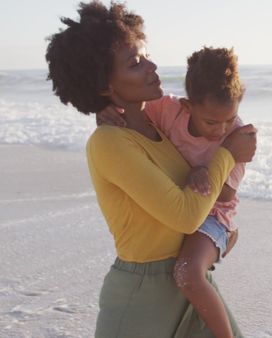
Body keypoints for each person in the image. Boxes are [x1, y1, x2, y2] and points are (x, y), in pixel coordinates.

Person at [45, 1, 256, 337]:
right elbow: (186, 215)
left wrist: (219, 238)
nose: (152, 67)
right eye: (135, 64)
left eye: (145, 57)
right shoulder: (109, 143)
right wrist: (228, 153)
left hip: (190, 287)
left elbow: (201, 199)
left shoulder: (161, 128)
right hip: (142, 298)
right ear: (105, 84)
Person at [98, 46, 248, 338]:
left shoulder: (238, 135)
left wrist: (208, 168)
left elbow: (227, 195)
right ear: (188, 106)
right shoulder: (167, 110)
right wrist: (102, 109)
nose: (220, 131)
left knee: (188, 274)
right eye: (211, 122)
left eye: (229, 120)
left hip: (213, 218)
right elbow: (128, 112)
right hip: (181, 211)